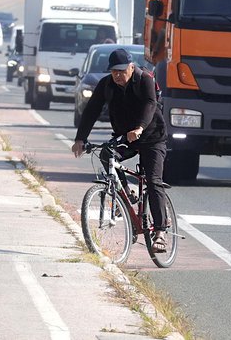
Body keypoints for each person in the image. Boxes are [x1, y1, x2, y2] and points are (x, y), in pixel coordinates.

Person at [71, 48, 170, 252]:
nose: (117, 75)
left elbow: (151, 104)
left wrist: (140, 128)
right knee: (107, 154)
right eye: (114, 71)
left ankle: (160, 231)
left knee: (153, 181)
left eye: (121, 71)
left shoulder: (145, 80)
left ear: (131, 67)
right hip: (126, 137)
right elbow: (91, 110)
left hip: (152, 137)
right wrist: (81, 138)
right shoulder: (106, 85)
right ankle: (127, 193)